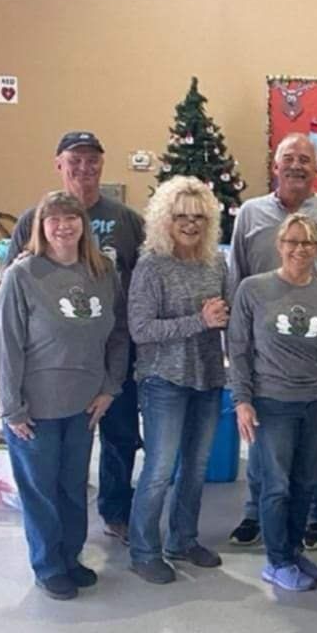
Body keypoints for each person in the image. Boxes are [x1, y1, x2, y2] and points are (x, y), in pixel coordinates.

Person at [7, 131, 144, 546]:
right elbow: (14, 303)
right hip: (50, 371)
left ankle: (116, 510)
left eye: (92, 160)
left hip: (110, 356)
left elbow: (140, 284)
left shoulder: (126, 220)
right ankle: (53, 545)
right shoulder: (32, 221)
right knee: (53, 459)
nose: (84, 168)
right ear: (59, 164)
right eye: (75, 160)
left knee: (119, 437)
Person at [0, 191, 129, 599]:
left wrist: (110, 388)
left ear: (83, 224)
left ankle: (71, 557)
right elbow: (7, 345)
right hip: (35, 407)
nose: (62, 226)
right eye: (52, 219)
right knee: (41, 491)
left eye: (70, 217)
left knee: (72, 487)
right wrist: (11, 408)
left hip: (84, 405)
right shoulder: (24, 275)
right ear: (40, 227)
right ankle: (49, 564)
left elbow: (119, 336)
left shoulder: (103, 272)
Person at [227, 132, 317, 551]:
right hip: (267, 355)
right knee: (268, 455)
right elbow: (237, 276)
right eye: (289, 158)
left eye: (306, 158)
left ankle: (313, 520)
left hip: (314, 348)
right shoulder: (250, 214)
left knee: (308, 463)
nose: (297, 165)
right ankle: (255, 517)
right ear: (275, 165)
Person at [126, 177, 229, 584]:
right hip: (163, 380)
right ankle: (143, 550)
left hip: (207, 377)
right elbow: (140, 328)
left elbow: (232, 312)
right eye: (182, 216)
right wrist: (198, 321)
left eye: (199, 217)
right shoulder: (152, 264)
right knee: (160, 469)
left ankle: (183, 539)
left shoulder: (215, 262)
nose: (191, 224)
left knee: (196, 466)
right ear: (164, 220)